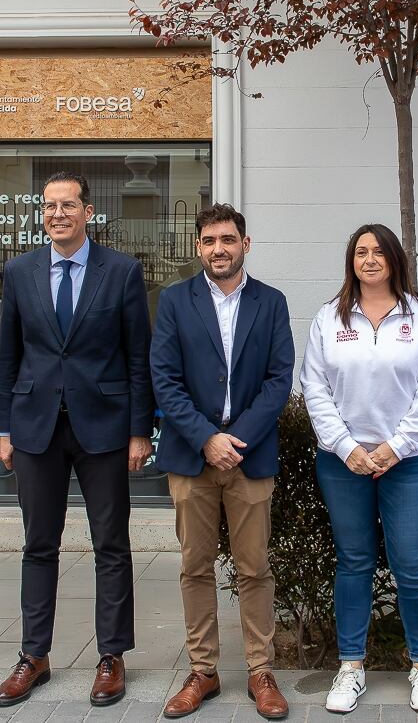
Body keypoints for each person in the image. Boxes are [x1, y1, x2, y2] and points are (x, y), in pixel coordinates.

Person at [0, 172, 155, 708]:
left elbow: (138, 357)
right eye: (48, 206)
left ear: (88, 212)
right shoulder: (19, 271)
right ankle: (33, 655)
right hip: (36, 428)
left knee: (111, 545)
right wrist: (5, 429)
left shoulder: (122, 271)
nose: (57, 214)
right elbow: (7, 356)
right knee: (39, 544)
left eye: (67, 205)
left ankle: (112, 655)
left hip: (104, 428)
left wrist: (138, 431)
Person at [150, 204, 294, 720]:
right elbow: (163, 378)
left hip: (250, 458)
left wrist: (237, 440)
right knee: (195, 566)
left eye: (228, 239)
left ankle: (260, 669)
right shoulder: (174, 301)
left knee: (255, 567)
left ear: (245, 245)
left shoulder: (271, 303)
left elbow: (280, 380)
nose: (219, 249)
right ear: (197, 247)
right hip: (192, 457)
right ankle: (203, 671)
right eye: (209, 240)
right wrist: (208, 438)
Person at [300, 224, 418, 715]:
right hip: (344, 464)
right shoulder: (329, 317)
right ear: (351, 260)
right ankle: (350, 667)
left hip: (410, 463)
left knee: (412, 565)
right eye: (360, 252)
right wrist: (347, 448)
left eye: (378, 251)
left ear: (394, 259)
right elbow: (315, 388)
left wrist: (395, 447)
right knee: (355, 562)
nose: (369, 259)